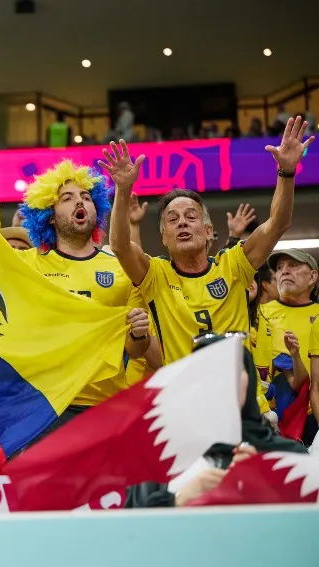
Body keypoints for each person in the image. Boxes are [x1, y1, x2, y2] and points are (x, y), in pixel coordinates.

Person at [0, 157, 158, 429]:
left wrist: (138, 334)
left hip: (104, 408)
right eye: (67, 198)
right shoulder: (27, 265)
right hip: (41, 409)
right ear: (49, 214)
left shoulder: (121, 269)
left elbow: (134, 350)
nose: (80, 202)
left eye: (86, 197)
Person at [107, 118, 315, 364]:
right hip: (186, 398)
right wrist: (122, 190)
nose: (182, 222)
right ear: (163, 238)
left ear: (208, 231)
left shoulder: (234, 264)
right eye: (172, 220)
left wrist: (287, 172)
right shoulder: (155, 275)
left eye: (191, 216)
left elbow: (277, 223)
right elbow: (120, 246)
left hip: (242, 399)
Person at [125, 334, 308, 508]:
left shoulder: (288, 456)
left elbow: (306, 530)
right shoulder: (158, 459)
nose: (223, 379)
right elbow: (130, 530)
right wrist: (178, 500)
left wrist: (268, 483)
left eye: (234, 369)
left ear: (250, 381)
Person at [255, 249, 319, 445]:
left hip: (311, 416)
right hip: (271, 416)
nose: (284, 271)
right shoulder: (259, 314)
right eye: (280, 268)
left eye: (293, 265)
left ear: (312, 277)